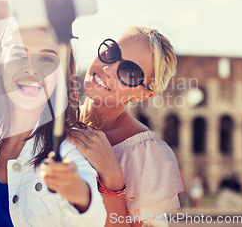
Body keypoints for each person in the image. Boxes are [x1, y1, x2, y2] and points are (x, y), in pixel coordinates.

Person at [0, 25, 106, 227]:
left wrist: (81, 196)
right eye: (19, 54)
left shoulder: (68, 152)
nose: (32, 68)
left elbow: (92, 218)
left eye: (47, 58)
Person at [68, 26, 184, 226]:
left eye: (130, 73)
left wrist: (112, 178)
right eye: (111, 52)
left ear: (144, 94)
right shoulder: (53, 120)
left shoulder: (145, 155)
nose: (108, 69)